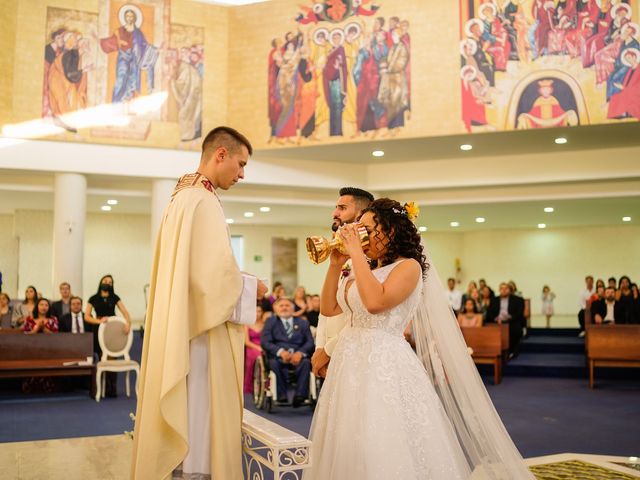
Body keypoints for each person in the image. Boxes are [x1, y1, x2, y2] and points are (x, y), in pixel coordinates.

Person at [305, 198, 532, 479]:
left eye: (365, 228)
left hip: (383, 363)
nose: (357, 234)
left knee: (381, 437)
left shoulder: (408, 267)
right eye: (357, 229)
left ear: (390, 230)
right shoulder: (366, 268)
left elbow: (376, 302)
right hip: (349, 363)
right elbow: (329, 307)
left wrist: (355, 255)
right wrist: (335, 265)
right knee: (346, 437)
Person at [131, 127, 268, 480]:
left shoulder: (183, 197)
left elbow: (202, 273)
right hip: (201, 334)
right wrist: (255, 288)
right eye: (240, 164)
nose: (242, 174)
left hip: (184, 324)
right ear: (219, 154)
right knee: (201, 415)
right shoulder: (202, 202)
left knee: (190, 409)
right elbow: (212, 284)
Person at [311, 186, 374, 379]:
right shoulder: (339, 251)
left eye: (342, 208)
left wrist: (329, 349)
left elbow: (364, 315)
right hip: (332, 351)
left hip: (358, 350)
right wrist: (320, 346)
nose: (334, 213)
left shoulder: (372, 257)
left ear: (361, 213)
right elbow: (327, 307)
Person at [261, 297, 315, 406]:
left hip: (298, 356)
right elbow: (265, 342)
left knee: (306, 363)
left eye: (287, 305)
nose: (284, 308)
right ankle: (281, 395)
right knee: (274, 364)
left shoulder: (303, 323)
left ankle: (300, 395)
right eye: (281, 305)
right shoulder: (270, 322)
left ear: (293, 308)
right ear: (275, 309)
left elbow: (309, 342)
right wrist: (280, 352)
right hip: (278, 356)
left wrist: (300, 353)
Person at [86, 275, 132, 397]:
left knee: (112, 358)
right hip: (98, 329)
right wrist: (99, 321)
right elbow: (87, 316)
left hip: (112, 331)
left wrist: (128, 323)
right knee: (101, 358)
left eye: (110, 282)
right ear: (101, 282)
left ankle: (112, 388)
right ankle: (101, 388)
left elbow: (125, 312)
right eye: (105, 281)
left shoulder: (115, 297)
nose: (107, 283)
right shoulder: (93, 298)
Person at [487, 282, 525, 357]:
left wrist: (508, 319)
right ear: (499, 290)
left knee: (516, 328)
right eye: (501, 288)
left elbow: (519, 314)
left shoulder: (518, 300)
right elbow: (489, 313)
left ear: (509, 290)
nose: (503, 290)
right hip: (497, 322)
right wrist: (496, 319)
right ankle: (495, 351)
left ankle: (512, 351)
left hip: (511, 322)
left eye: (506, 288)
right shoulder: (494, 300)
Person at [244, 305, 266, 394]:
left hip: (263, 346)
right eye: (255, 311)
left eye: (259, 311)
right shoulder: (246, 325)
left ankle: (264, 384)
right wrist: (257, 347)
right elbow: (246, 341)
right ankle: (249, 386)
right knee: (256, 356)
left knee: (265, 357)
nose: (257, 313)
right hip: (251, 346)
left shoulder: (265, 324)